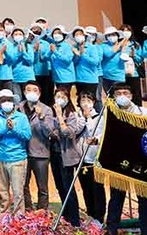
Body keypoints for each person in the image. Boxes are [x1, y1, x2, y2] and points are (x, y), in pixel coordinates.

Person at [106, 83, 147, 235]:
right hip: (119, 162)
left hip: (140, 161)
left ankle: (146, 230)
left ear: (131, 96)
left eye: (125, 93)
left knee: (144, 197)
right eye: (119, 94)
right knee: (116, 197)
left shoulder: (142, 112)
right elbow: (102, 132)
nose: (122, 96)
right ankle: (111, 229)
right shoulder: (110, 114)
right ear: (114, 97)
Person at [0, 89, 32, 215]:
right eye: (3, 100)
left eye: (9, 100)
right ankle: (4, 216)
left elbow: (27, 135)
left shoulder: (22, 117)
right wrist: (6, 129)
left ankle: (18, 218)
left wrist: (14, 129)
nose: (7, 102)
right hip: (1, 158)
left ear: (13, 102)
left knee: (18, 192)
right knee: (3, 191)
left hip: (18, 159)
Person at [51, 88, 85, 227]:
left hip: (67, 156)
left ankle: (75, 219)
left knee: (68, 187)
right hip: (55, 154)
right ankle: (66, 215)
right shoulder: (51, 113)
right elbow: (51, 132)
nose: (60, 99)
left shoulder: (71, 114)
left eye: (63, 96)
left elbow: (67, 133)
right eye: (57, 96)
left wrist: (60, 116)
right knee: (59, 186)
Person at [19, 81, 54, 212]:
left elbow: (49, 132)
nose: (31, 93)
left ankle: (42, 212)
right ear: (24, 92)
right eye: (28, 90)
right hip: (22, 153)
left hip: (40, 154)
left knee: (42, 187)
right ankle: (28, 210)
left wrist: (41, 117)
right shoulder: (18, 108)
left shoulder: (46, 109)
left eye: (35, 90)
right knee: (23, 185)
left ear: (39, 93)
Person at [77, 91, 106, 224]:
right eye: (83, 100)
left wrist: (88, 117)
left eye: (89, 100)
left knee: (97, 189)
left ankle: (99, 218)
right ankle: (90, 214)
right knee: (86, 189)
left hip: (95, 159)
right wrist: (83, 118)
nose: (86, 103)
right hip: (81, 160)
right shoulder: (77, 117)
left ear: (94, 102)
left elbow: (95, 134)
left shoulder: (99, 117)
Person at [49, 25, 76, 94]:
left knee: (64, 97)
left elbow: (67, 60)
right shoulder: (53, 46)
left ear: (63, 35)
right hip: (57, 77)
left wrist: (55, 52)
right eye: (55, 33)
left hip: (66, 78)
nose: (56, 35)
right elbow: (45, 58)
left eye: (59, 33)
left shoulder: (67, 46)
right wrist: (51, 51)